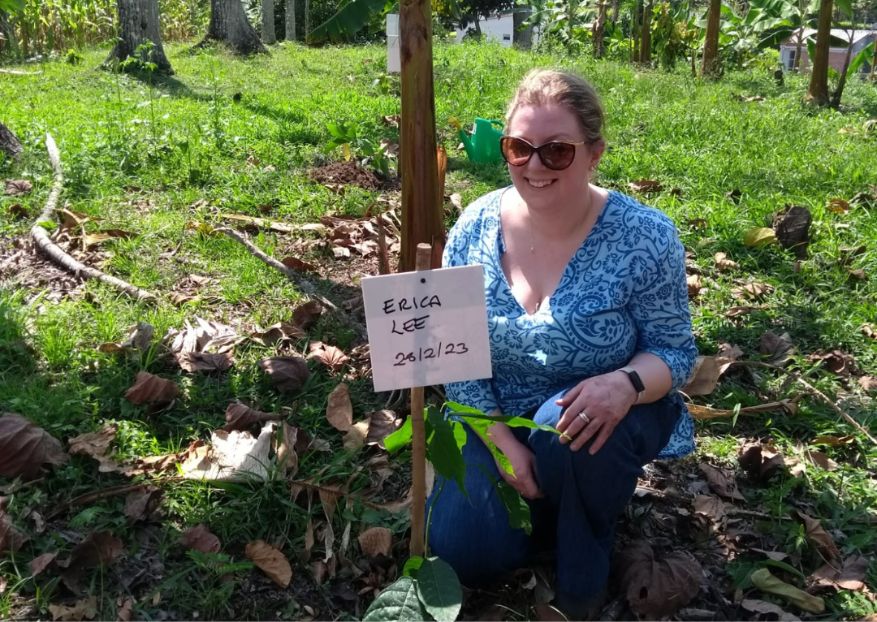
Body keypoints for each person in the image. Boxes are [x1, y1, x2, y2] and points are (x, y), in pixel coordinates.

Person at [426, 69, 697, 619]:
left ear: (594, 153)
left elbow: (675, 352)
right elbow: (456, 355)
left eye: (557, 152)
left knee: (566, 424)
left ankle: (584, 567)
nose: (533, 165)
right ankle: (556, 500)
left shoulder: (645, 236)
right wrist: (501, 441)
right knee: (461, 550)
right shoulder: (473, 227)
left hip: (602, 414)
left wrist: (625, 384)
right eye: (519, 148)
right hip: (497, 410)